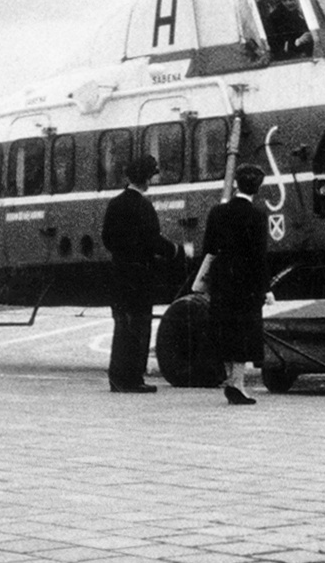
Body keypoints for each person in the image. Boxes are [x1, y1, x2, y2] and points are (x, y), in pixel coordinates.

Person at [100, 155, 182, 393]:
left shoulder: (115, 203)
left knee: (121, 327)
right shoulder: (143, 206)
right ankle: (133, 379)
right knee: (138, 327)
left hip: (118, 274)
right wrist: (175, 251)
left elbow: (107, 239)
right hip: (140, 276)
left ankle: (117, 378)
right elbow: (153, 240)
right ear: (145, 179)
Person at [201, 162, 271, 405]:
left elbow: (208, 248)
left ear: (236, 184)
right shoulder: (258, 215)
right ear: (257, 188)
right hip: (246, 283)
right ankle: (237, 384)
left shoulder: (217, 212)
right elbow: (260, 257)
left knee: (225, 329)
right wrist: (266, 288)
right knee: (243, 332)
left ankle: (231, 379)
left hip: (222, 279)